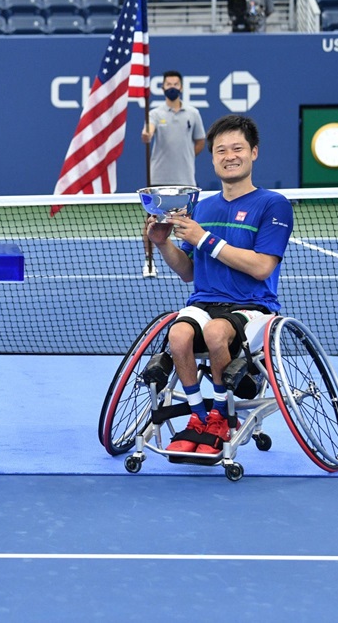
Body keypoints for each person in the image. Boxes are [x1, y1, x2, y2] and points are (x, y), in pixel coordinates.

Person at [145, 114, 293, 457]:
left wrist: (205, 239)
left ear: (253, 152)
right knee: (177, 335)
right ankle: (200, 418)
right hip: (204, 303)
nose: (229, 156)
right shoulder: (201, 207)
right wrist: (163, 243)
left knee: (215, 333)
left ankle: (222, 417)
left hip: (253, 307)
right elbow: (188, 272)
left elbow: (262, 267)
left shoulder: (273, 204)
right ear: (212, 158)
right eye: (221, 150)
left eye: (237, 148)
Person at [140, 70, 206, 277]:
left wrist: (187, 157)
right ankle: (149, 262)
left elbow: (200, 141)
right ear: (162, 88)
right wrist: (147, 134)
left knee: (190, 222)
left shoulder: (193, 113)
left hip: (185, 179)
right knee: (152, 221)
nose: (172, 87)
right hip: (159, 179)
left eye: (175, 84)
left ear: (181, 87)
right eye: (168, 84)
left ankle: (191, 259)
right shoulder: (155, 114)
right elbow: (149, 131)